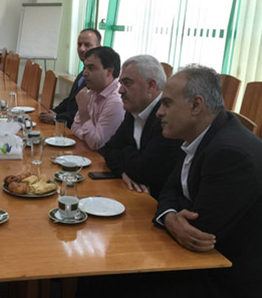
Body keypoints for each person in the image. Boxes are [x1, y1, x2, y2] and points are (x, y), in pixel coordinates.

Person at [111, 65, 262, 298]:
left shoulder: (231, 154)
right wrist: (170, 217)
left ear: (196, 105)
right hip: (214, 262)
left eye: (167, 104)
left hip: (235, 285)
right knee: (119, 281)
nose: (159, 113)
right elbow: (169, 191)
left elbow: (197, 233)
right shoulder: (199, 136)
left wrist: (173, 213)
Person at [97, 55, 182, 199]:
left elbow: (143, 171)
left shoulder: (167, 118)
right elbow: (109, 149)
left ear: (151, 86)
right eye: (120, 83)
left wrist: (125, 152)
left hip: (157, 201)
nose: (120, 91)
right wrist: (123, 172)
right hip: (134, 193)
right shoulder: (134, 110)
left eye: (127, 83)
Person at [39, 28, 101, 127]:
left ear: (99, 48)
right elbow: (71, 99)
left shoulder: (98, 78)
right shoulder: (83, 71)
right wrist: (53, 112)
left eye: (87, 45)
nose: (81, 49)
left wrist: (57, 117)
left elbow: (85, 111)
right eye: (79, 44)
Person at [70, 46, 125, 150]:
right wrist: (88, 136)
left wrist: (83, 111)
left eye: (91, 68)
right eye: (84, 68)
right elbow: (74, 127)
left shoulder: (116, 101)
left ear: (109, 72)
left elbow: (97, 144)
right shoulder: (93, 91)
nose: (84, 73)